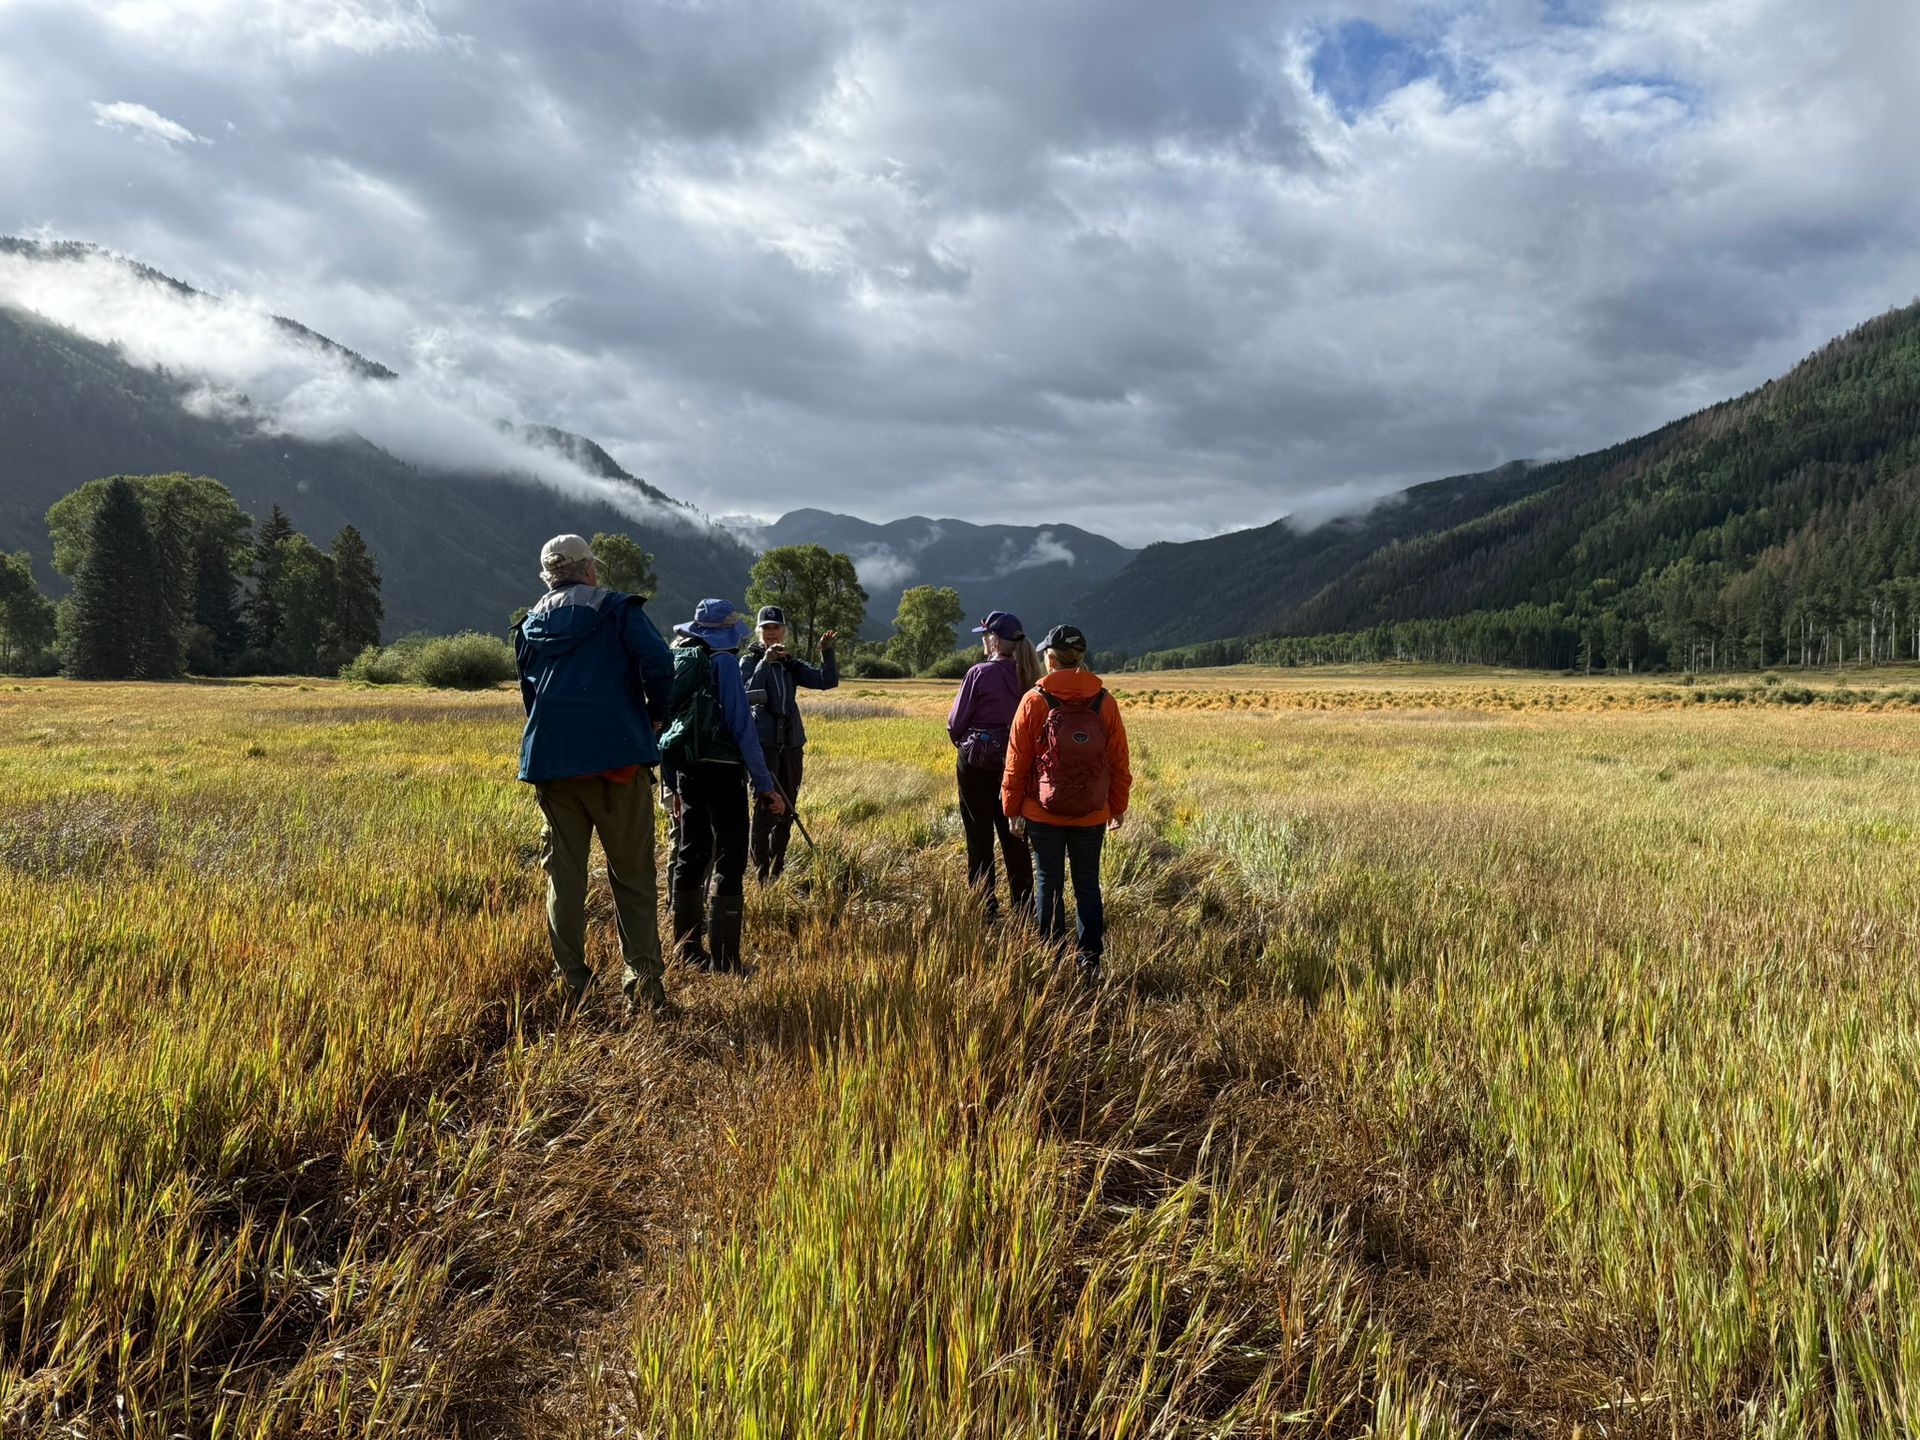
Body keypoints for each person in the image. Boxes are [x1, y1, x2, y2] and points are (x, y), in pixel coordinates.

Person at [512, 534, 676, 1016]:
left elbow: (530, 695)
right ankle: (643, 987)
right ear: (587, 570)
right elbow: (661, 663)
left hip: (552, 765)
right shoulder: (618, 610)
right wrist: (654, 716)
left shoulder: (527, 626)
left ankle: (573, 986)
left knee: (563, 878)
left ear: (549, 575)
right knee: (632, 877)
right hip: (618, 760)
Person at [659, 598, 785, 975]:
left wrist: (671, 784)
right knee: (730, 856)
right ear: (726, 634)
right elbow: (741, 727)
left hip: (687, 768)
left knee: (691, 851)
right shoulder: (725, 662)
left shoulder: (679, 657)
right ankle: (727, 961)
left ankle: (687, 952)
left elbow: (666, 724)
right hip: (723, 770)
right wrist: (764, 784)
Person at [1001, 623, 1131, 982]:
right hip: (1092, 812)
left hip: (1042, 811)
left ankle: (1052, 956)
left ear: (1051, 659)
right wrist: (1117, 805)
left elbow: (1017, 761)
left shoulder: (1034, 700)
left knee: (1048, 881)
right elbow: (1119, 759)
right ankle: (1089, 960)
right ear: (1080, 659)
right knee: (1088, 883)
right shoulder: (1105, 701)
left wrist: (1011, 808)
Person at [947, 611, 1041, 921]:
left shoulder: (979, 673)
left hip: (975, 763)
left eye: (986, 635)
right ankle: (1025, 908)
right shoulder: (1030, 678)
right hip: (1016, 763)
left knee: (978, 835)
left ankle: (985, 907)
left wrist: (965, 744)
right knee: (1015, 836)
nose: (984, 640)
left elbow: (955, 723)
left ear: (995, 640)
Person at [740, 605, 838, 882]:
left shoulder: (790, 664)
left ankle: (777, 870)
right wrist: (765, 662)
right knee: (765, 808)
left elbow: (827, 681)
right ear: (759, 631)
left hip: (792, 744)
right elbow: (747, 693)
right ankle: (761, 876)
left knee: (788, 809)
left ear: (784, 631)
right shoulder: (748, 662)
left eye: (776, 627)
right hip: (764, 745)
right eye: (766, 628)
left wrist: (826, 651)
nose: (771, 633)